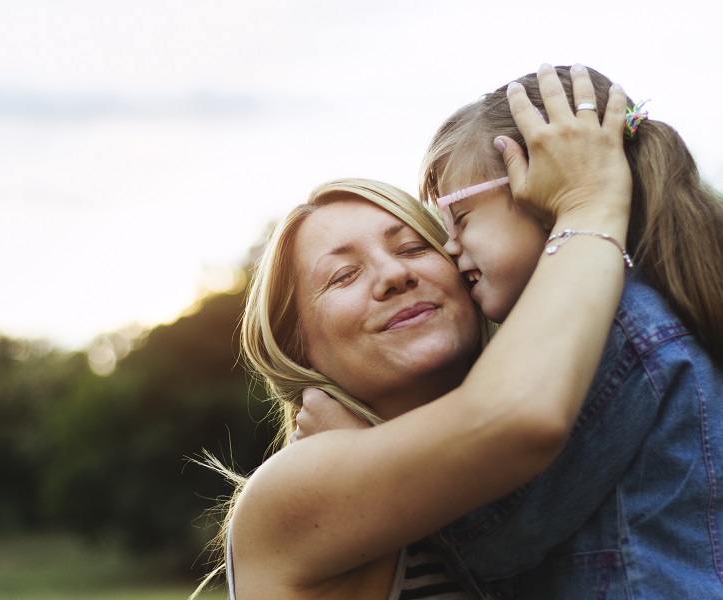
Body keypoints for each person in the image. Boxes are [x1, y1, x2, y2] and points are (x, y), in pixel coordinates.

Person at [192, 66, 634, 599]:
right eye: (344, 275)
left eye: (412, 248)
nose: (395, 275)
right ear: (299, 346)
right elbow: (519, 418)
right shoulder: (293, 489)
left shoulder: (552, 466)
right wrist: (591, 203)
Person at [299, 64, 723, 598]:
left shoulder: (616, 331)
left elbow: (490, 537)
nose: (449, 248)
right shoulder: (644, 312)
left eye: (461, 217)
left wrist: (365, 456)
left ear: (545, 190)